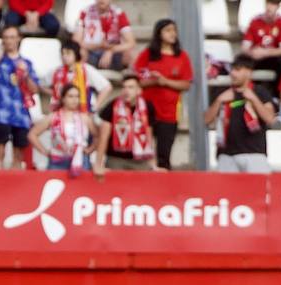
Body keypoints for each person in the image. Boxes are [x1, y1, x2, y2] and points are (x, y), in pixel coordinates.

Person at [135, 18, 192, 171]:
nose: (172, 34)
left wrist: (165, 81)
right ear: (159, 33)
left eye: (174, 30)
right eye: (168, 30)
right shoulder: (148, 54)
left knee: (164, 153)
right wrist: (154, 80)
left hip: (169, 111)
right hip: (147, 109)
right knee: (143, 150)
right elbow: (136, 80)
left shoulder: (181, 56)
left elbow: (186, 84)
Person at [207, 56, 275, 173]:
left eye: (237, 70)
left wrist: (254, 99)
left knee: (257, 190)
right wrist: (219, 101)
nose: (233, 73)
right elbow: (206, 120)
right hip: (226, 155)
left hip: (254, 154)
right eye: (232, 70)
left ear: (248, 73)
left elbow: (270, 118)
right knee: (226, 191)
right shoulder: (223, 92)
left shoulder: (260, 92)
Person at [0, 23, 38, 169]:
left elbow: (34, 89)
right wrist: (1, 49)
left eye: (12, 37)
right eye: (6, 37)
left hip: (20, 113)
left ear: (18, 39)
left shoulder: (27, 63)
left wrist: (26, 74)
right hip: (1, 113)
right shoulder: (0, 60)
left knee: (18, 155)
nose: (9, 40)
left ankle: (14, 188)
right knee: (0, 152)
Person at [93, 72, 156, 172]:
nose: (126, 91)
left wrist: (153, 163)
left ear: (139, 90)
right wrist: (98, 164)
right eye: (124, 87)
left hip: (141, 159)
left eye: (131, 87)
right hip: (116, 159)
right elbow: (103, 137)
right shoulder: (112, 106)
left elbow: (149, 135)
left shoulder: (147, 107)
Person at [31, 83, 94, 171]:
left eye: (77, 96)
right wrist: (45, 151)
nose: (74, 100)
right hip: (58, 160)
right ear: (63, 98)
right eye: (70, 96)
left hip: (80, 159)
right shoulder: (53, 117)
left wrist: (90, 149)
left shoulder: (85, 118)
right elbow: (32, 134)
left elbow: (98, 135)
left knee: (80, 185)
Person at [72, 0, 134, 70]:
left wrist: (111, 50)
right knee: (80, 52)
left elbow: (131, 43)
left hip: (113, 54)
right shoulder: (85, 12)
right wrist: (96, 46)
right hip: (91, 52)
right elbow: (76, 41)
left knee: (127, 54)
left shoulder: (118, 13)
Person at [51, 40, 110, 112]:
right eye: (63, 54)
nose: (64, 56)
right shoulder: (58, 71)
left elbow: (107, 87)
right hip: (62, 111)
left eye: (68, 53)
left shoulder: (86, 69)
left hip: (84, 110)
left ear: (76, 54)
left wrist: (95, 107)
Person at [241, 0, 281, 83]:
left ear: (278, 7)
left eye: (274, 4)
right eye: (269, 3)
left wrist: (265, 52)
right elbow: (245, 47)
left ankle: (278, 92)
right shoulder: (255, 21)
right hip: (256, 57)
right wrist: (252, 53)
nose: (270, 7)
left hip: (271, 57)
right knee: (240, 60)